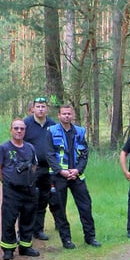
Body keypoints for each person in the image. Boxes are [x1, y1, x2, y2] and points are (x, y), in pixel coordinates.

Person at [48, 104, 100, 248]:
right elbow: (49, 154)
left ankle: (90, 237)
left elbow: (84, 154)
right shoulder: (51, 131)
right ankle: (66, 240)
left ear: (73, 116)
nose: (66, 116)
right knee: (60, 208)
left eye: (69, 114)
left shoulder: (80, 132)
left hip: (76, 176)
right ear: (59, 116)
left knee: (85, 206)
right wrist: (60, 171)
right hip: (59, 176)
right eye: (64, 114)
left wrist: (78, 170)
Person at [0, 119, 41, 260]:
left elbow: (34, 165)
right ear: (11, 130)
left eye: (22, 128)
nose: (19, 131)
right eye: (16, 128)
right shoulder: (4, 148)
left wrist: (30, 178)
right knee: (9, 219)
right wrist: (7, 181)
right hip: (12, 190)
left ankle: (25, 246)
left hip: (28, 189)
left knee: (28, 218)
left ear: (25, 131)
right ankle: (8, 249)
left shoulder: (30, 148)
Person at [22, 96, 60, 241]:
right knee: (29, 198)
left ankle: (38, 230)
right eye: (38, 106)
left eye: (43, 106)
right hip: (31, 168)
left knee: (44, 198)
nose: (40, 109)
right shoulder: (26, 124)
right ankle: (26, 231)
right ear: (33, 108)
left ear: (47, 109)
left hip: (48, 169)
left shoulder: (52, 125)